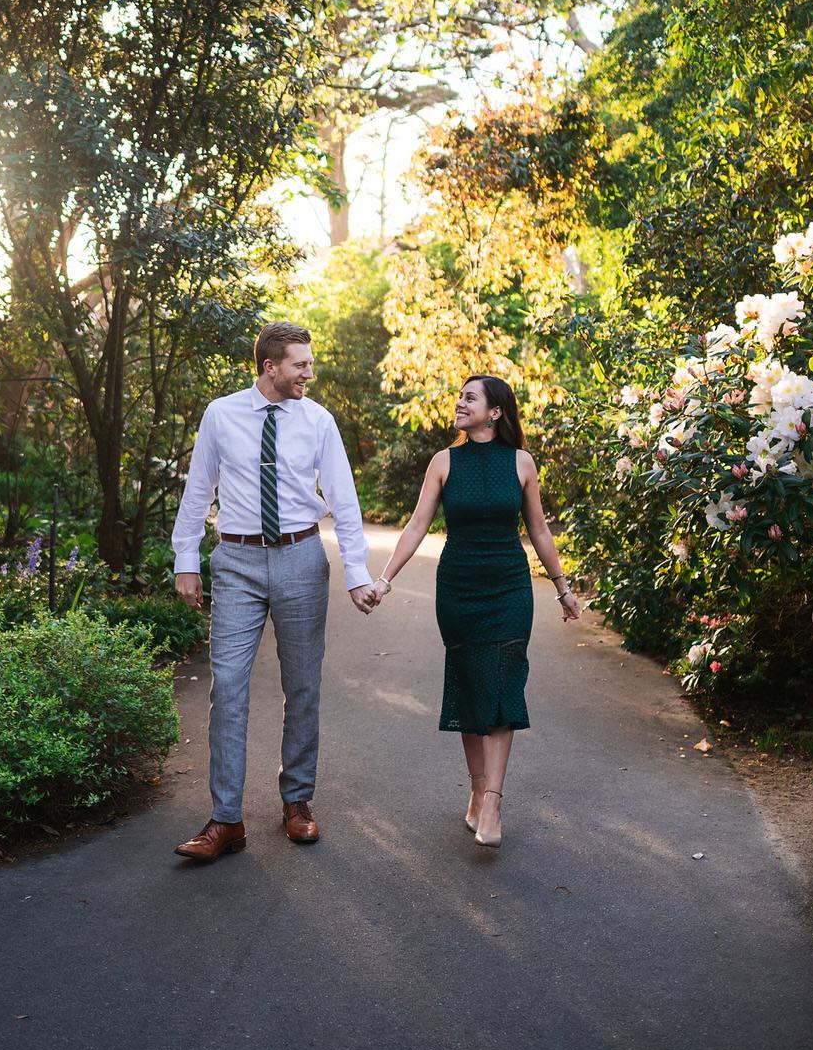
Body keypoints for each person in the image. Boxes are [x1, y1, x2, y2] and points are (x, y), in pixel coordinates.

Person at [169, 322, 380, 862]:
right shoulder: (221, 415)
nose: (309, 372)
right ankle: (225, 819)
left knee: (303, 685)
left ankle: (297, 800)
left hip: (301, 558)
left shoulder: (318, 420)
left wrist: (357, 573)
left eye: (309, 364)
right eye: (300, 365)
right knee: (229, 687)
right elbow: (198, 491)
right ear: (270, 366)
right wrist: (186, 560)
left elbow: (345, 500)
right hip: (236, 560)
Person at [369, 374, 581, 847]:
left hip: (508, 586)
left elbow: (540, 532)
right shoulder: (444, 462)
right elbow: (417, 525)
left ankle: (493, 802)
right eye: (460, 396)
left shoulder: (521, 463)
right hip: (459, 587)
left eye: (470, 398)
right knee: (470, 685)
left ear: (496, 411)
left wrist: (563, 589)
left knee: (504, 683)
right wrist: (384, 579)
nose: (460, 403)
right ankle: (476, 788)